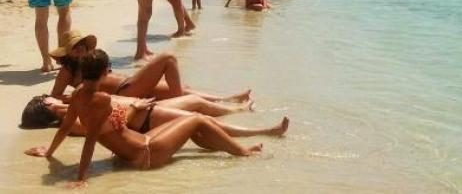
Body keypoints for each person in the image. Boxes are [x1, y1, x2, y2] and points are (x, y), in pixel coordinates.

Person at [25, 49, 263, 188]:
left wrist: (49, 153)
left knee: (194, 123)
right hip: (147, 153)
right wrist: (81, 177)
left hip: (143, 145)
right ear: (104, 72)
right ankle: (244, 152)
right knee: (197, 120)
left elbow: (65, 128)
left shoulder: (77, 95)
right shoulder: (101, 100)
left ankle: (237, 145)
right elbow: (91, 139)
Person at [49, 31, 252, 103]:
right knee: (168, 58)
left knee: (183, 88)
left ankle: (226, 100)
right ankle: (182, 105)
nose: (80, 49)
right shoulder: (68, 71)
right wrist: (76, 97)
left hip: (129, 84)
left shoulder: (91, 60)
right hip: (125, 91)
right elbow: (55, 96)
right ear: (68, 53)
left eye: (81, 45)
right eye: (75, 47)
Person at [22, 93, 288, 138]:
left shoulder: (74, 107)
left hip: (147, 107)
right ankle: (265, 132)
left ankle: (237, 109)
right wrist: (136, 107)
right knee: (203, 121)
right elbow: (114, 126)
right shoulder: (72, 124)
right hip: (144, 118)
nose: (50, 96)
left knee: (196, 102)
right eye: (47, 99)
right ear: (47, 107)